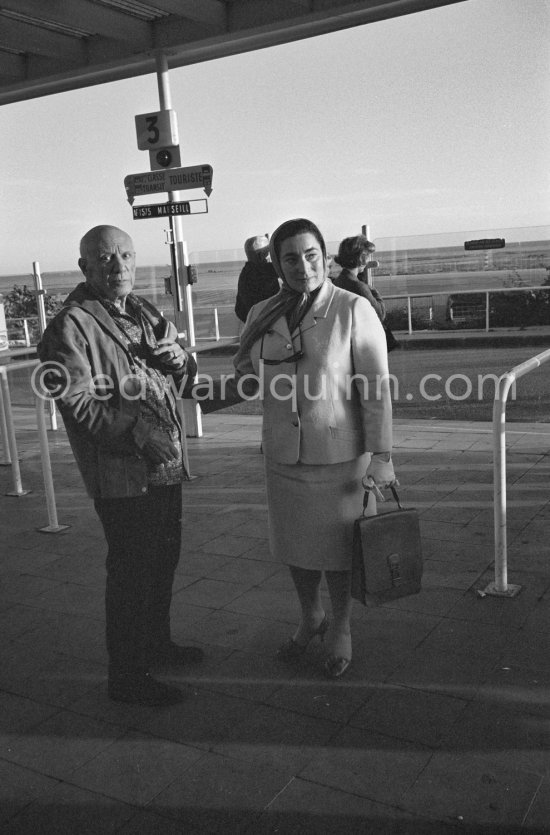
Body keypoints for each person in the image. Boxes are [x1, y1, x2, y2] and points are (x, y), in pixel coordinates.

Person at [196, 218, 395, 679]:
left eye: (310, 255)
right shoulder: (263, 312)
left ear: (325, 257)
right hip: (284, 455)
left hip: (342, 457)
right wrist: (190, 390)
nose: (302, 266)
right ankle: (312, 618)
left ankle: (341, 628)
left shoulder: (352, 308)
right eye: (290, 257)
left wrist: (383, 456)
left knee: (340, 551)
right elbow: (249, 377)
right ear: (277, 264)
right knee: (296, 548)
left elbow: (376, 388)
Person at [37, 225, 203, 706]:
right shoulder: (71, 324)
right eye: (106, 259)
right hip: (124, 473)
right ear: (85, 267)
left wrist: (179, 361)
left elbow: (183, 374)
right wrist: (138, 435)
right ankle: (127, 678)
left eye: (127, 256)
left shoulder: (145, 309)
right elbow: (73, 399)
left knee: (163, 561)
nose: (120, 267)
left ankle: (158, 645)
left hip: (167, 466)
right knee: (132, 572)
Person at [332, 235, 398, 352]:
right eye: (367, 256)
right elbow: (380, 313)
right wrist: (372, 290)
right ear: (361, 259)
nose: (368, 260)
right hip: (363, 343)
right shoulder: (359, 286)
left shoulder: (337, 282)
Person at [234, 234, 281, 324]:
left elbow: (239, 310)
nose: (270, 256)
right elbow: (286, 267)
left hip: (254, 323)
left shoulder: (246, 273)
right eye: (268, 252)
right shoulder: (265, 271)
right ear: (260, 256)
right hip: (268, 325)